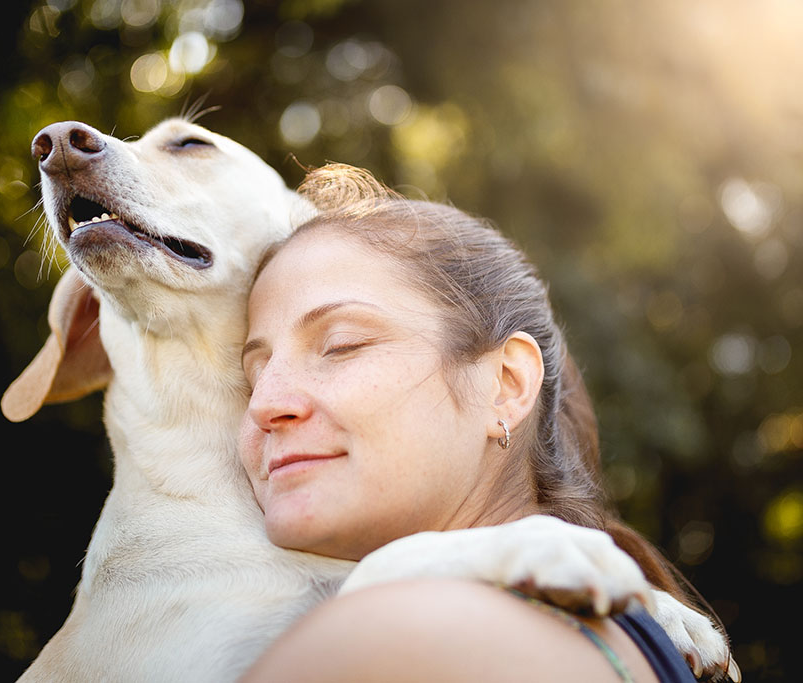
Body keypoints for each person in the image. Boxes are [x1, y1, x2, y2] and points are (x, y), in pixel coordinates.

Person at [236, 164, 732, 682]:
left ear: (506, 385)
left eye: (341, 346)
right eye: (251, 376)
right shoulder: (628, 636)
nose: (264, 404)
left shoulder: (386, 645)